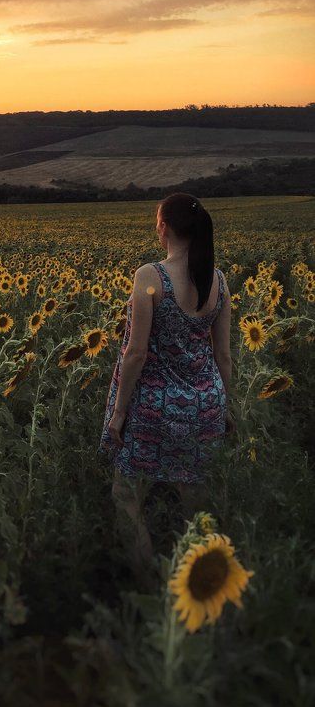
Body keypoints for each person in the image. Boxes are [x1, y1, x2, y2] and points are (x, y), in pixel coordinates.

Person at [98, 192, 234, 590]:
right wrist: (228, 406)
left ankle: (152, 590)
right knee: (196, 501)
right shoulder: (219, 280)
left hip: (154, 407)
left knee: (126, 496)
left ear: (165, 228)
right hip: (205, 404)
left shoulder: (150, 276)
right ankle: (206, 586)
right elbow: (223, 355)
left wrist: (119, 413)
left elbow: (136, 352)